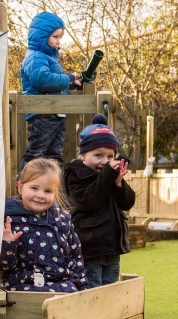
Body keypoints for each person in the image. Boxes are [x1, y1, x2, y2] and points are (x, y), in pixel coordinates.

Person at [63, 114, 136, 287]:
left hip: (111, 248)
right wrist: (109, 176)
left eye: (110, 156)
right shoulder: (76, 175)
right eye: (98, 155)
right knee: (92, 290)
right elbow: (89, 201)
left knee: (110, 291)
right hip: (89, 249)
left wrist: (119, 184)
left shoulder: (110, 176)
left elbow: (127, 203)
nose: (105, 161)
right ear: (83, 156)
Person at [0, 158, 90, 292]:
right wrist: (7, 244)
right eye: (34, 188)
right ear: (20, 187)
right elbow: (4, 267)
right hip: (25, 287)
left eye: (48, 191)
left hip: (62, 286)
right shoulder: (10, 220)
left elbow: (75, 258)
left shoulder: (62, 220)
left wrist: (83, 289)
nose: (41, 195)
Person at [19, 11, 82, 171]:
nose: (58, 41)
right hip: (43, 115)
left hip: (55, 114)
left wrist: (70, 84)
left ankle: (53, 190)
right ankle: (24, 186)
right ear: (41, 35)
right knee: (37, 154)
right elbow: (43, 80)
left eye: (60, 37)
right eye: (55, 36)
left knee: (55, 155)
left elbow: (54, 85)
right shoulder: (35, 57)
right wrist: (67, 78)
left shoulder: (49, 58)